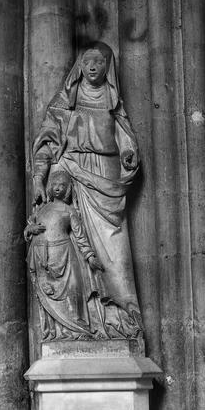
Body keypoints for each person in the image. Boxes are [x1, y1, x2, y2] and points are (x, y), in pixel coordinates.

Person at [32, 41, 143, 338]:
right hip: (69, 171)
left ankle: (120, 318)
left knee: (114, 251)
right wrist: (40, 178)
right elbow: (47, 142)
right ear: (79, 66)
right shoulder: (64, 100)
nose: (93, 66)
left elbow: (125, 137)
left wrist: (128, 154)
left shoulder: (111, 97)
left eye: (99, 61)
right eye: (87, 60)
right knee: (70, 245)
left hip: (105, 177)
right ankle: (80, 321)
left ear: (109, 67)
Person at [25, 169, 103, 340]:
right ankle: (57, 332)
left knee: (75, 288)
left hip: (66, 256)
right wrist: (30, 229)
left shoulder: (69, 211)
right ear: (50, 188)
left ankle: (77, 328)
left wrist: (90, 256)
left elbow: (80, 235)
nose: (58, 188)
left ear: (68, 189)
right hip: (43, 256)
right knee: (48, 293)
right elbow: (29, 229)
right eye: (55, 185)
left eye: (62, 185)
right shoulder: (42, 210)